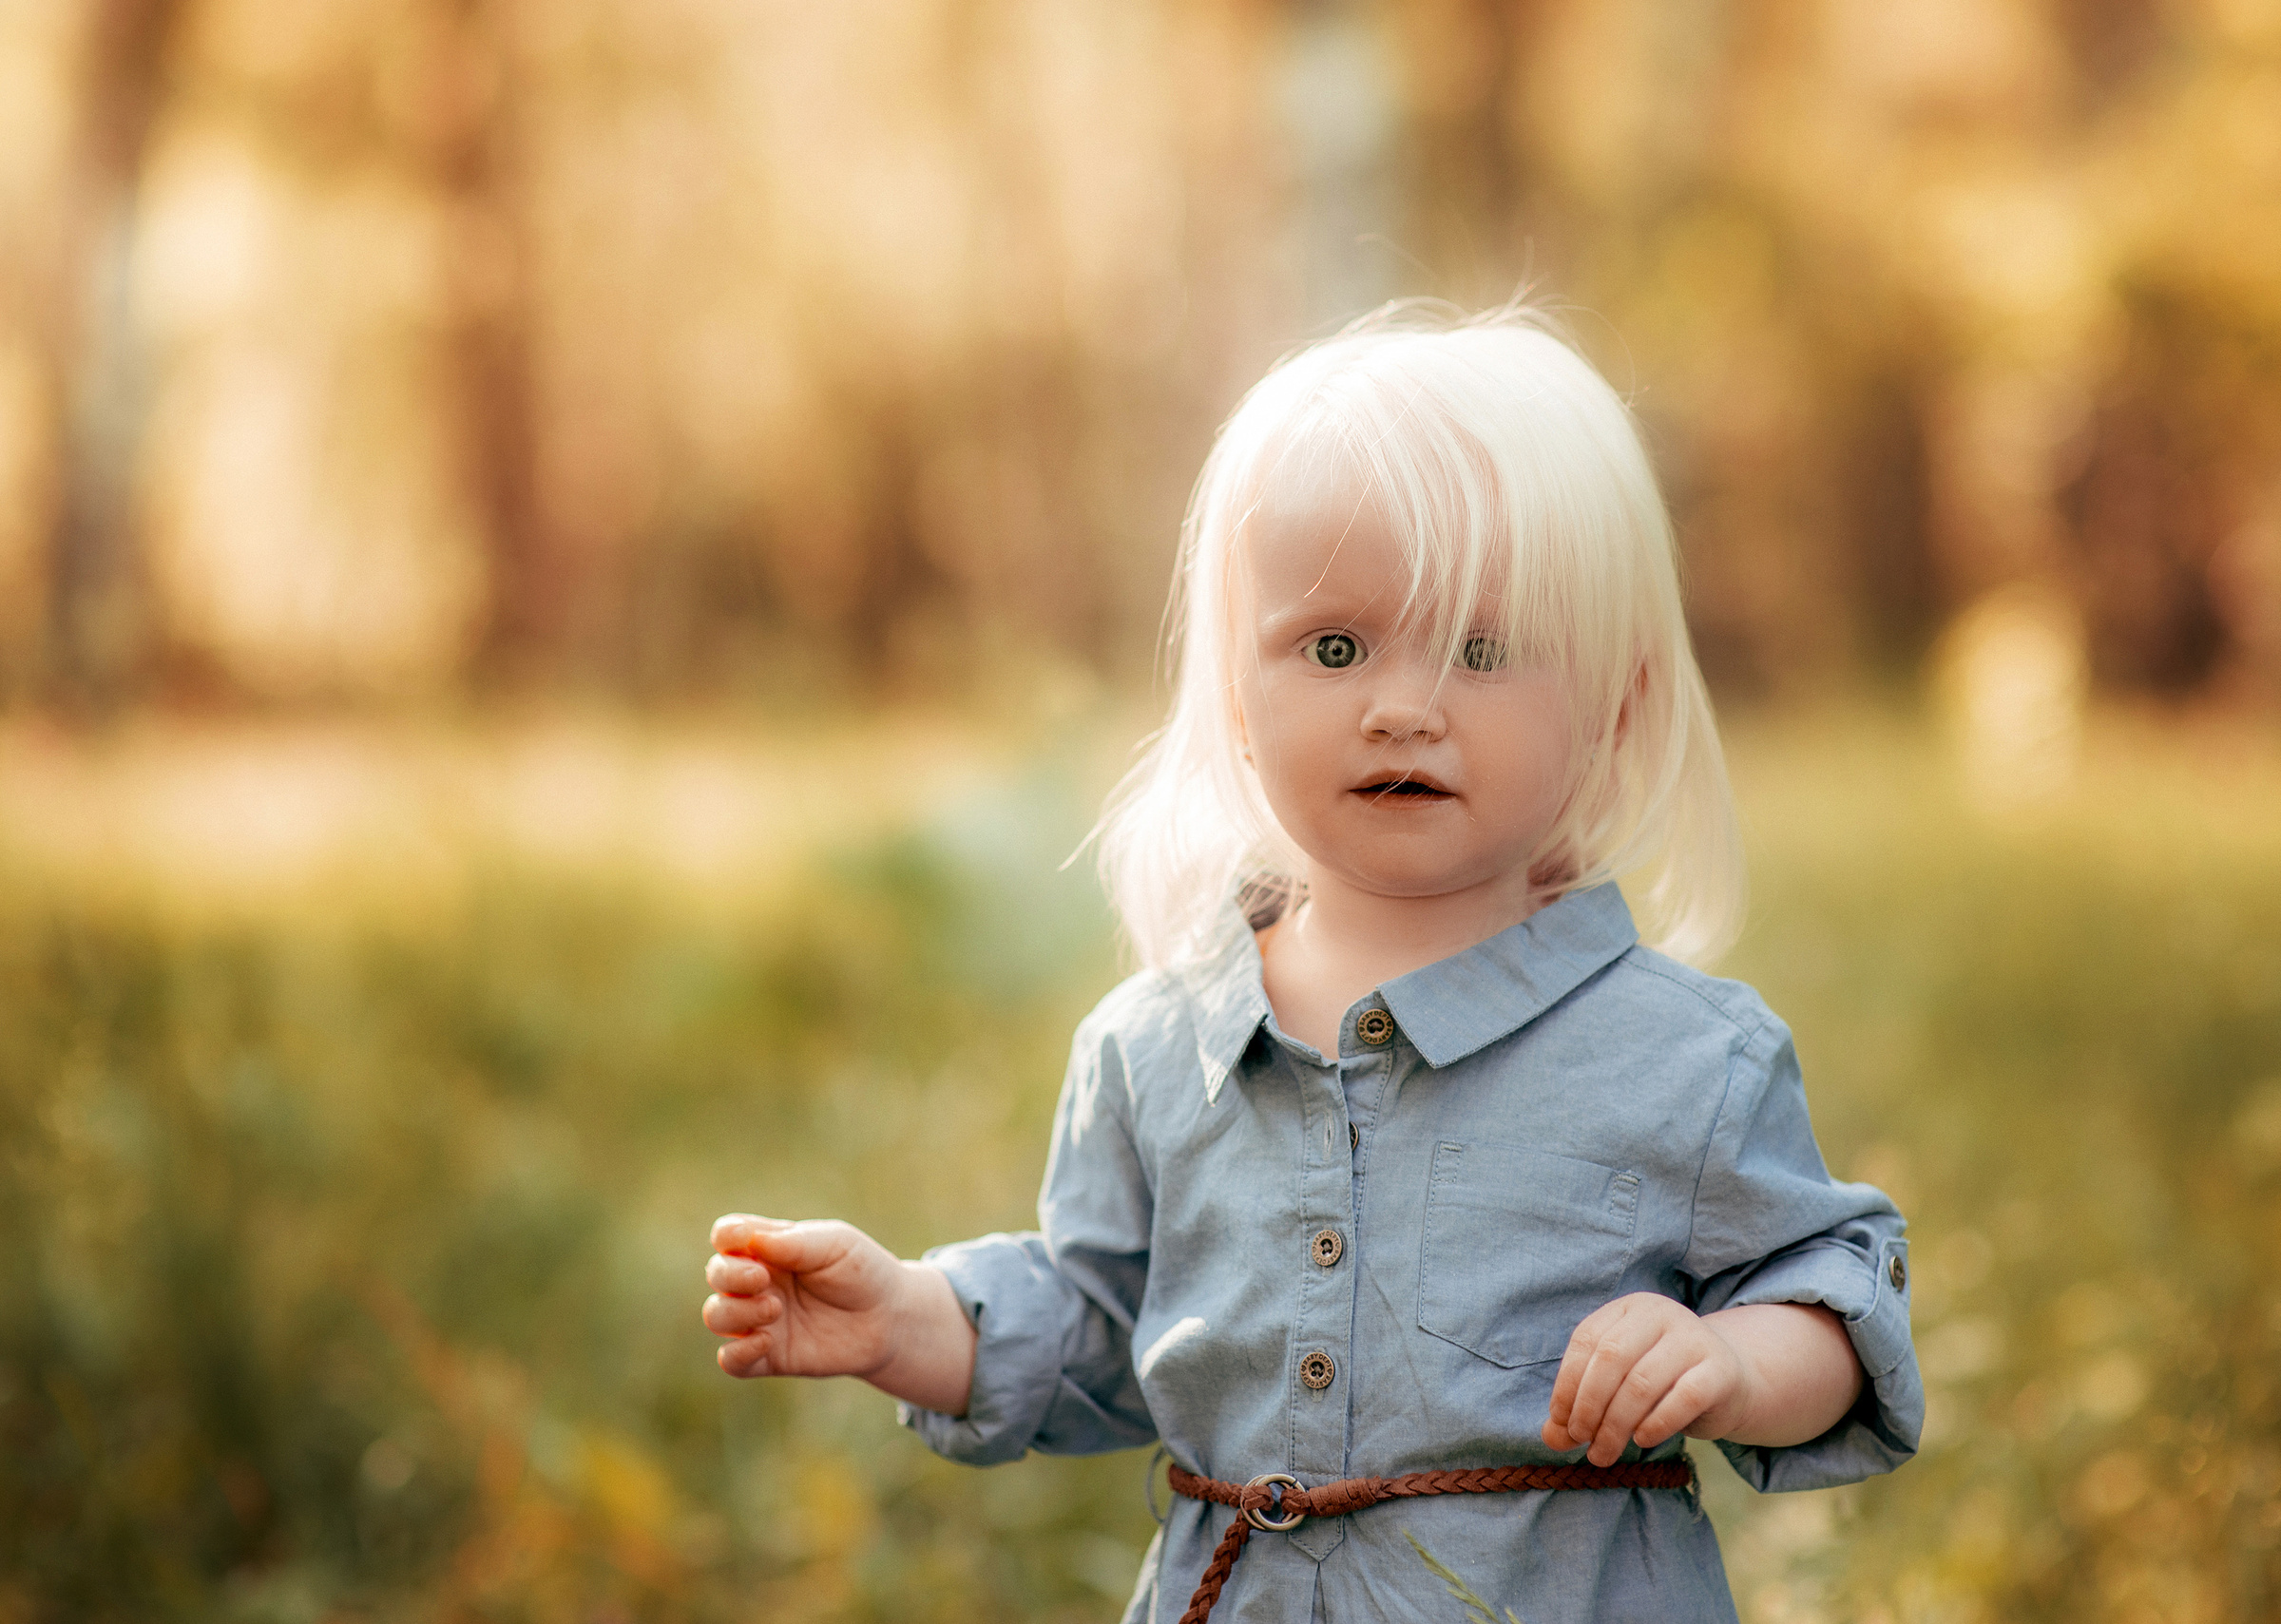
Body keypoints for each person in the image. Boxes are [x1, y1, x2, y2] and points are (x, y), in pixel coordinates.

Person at [702, 302, 1921, 1623]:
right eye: (1334, 649)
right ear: (1240, 700)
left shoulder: (1684, 1058)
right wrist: (906, 1322)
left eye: (1481, 648)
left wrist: (1728, 1357)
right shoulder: (1157, 1046)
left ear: (1614, 707)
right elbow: (1103, 1324)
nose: (1401, 706)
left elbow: (1836, 1305)